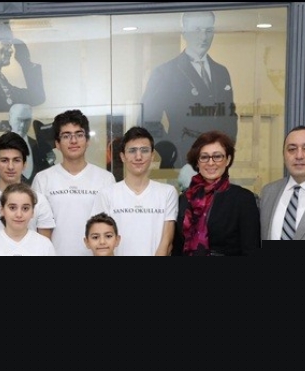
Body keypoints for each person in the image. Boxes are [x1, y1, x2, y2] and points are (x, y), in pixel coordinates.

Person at [139, 11, 238, 168]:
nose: (203, 37)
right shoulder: (165, 73)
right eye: (197, 30)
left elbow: (229, 116)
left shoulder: (221, 72)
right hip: (183, 162)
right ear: (184, 33)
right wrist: (172, 154)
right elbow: (148, 121)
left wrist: (226, 151)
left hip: (217, 162)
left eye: (208, 30)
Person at [32, 109, 116, 256]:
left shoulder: (106, 179)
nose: (73, 141)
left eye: (79, 134)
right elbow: (36, 228)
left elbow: (112, 228)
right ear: (57, 143)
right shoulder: (43, 179)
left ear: (87, 140)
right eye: (66, 136)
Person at [91, 127, 178, 256]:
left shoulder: (167, 193)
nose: (138, 157)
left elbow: (166, 242)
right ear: (122, 156)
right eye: (132, 151)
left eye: (144, 150)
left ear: (152, 156)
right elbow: (100, 242)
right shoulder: (106, 194)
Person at [171, 130, 260, 256]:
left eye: (217, 156)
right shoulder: (184, 199)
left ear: (228, 160)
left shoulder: (243, 199)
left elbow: (251, 250)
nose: (211, 163)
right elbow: (177, 248)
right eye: (204, 157)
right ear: (197, 162)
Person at [0, 132, 56, 254]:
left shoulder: (39, 201)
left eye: (16, 160)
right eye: (4, 160)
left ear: (24, 164)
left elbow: (45, 247)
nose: (10, 166)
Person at [0, 103, 54, 195]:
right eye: (19, 120)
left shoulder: (38, 147)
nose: (22, 125)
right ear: (10, 119)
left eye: (26, 120)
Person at [0, 183, 56, 256]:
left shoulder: (45, 245)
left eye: (25, 208)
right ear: (2, 210)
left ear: (32, 212)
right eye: (12, 208)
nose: (19, 214)